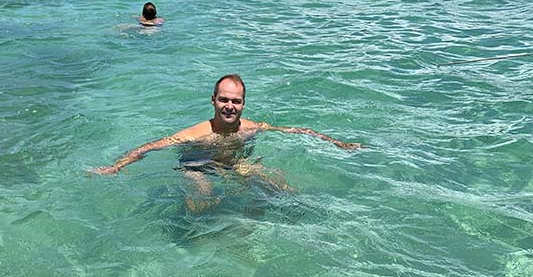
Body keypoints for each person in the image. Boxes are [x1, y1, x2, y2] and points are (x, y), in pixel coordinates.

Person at [94, 74, 361, 210]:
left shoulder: (251, 128)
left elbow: (296, 130)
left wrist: (336, 143)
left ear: (244, 104)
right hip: (197, 165)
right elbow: (149, 147)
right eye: (224, 99)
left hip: (234, 163)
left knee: (280, 187)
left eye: (235, 101)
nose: (229, 106)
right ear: (213, 100)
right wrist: (116, 167)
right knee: (204, 200)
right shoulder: (196, 134)